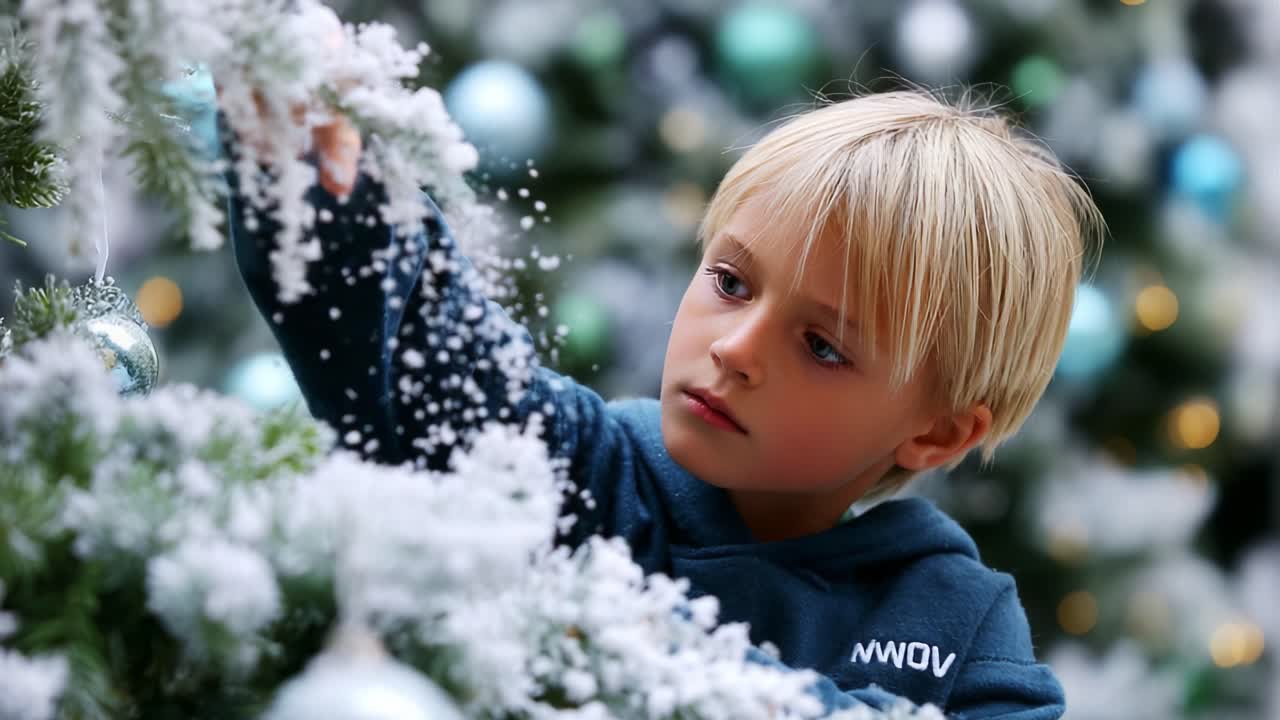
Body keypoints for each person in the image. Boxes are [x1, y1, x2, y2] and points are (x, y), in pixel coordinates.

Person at [223, 89, 1102, 718]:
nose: (735, 348)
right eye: (730, 280)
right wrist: (309, 151)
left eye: (823, 345)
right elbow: (414, 345)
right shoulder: (582, 468)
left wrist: (645, 642)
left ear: (938, 432)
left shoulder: (958, 625)